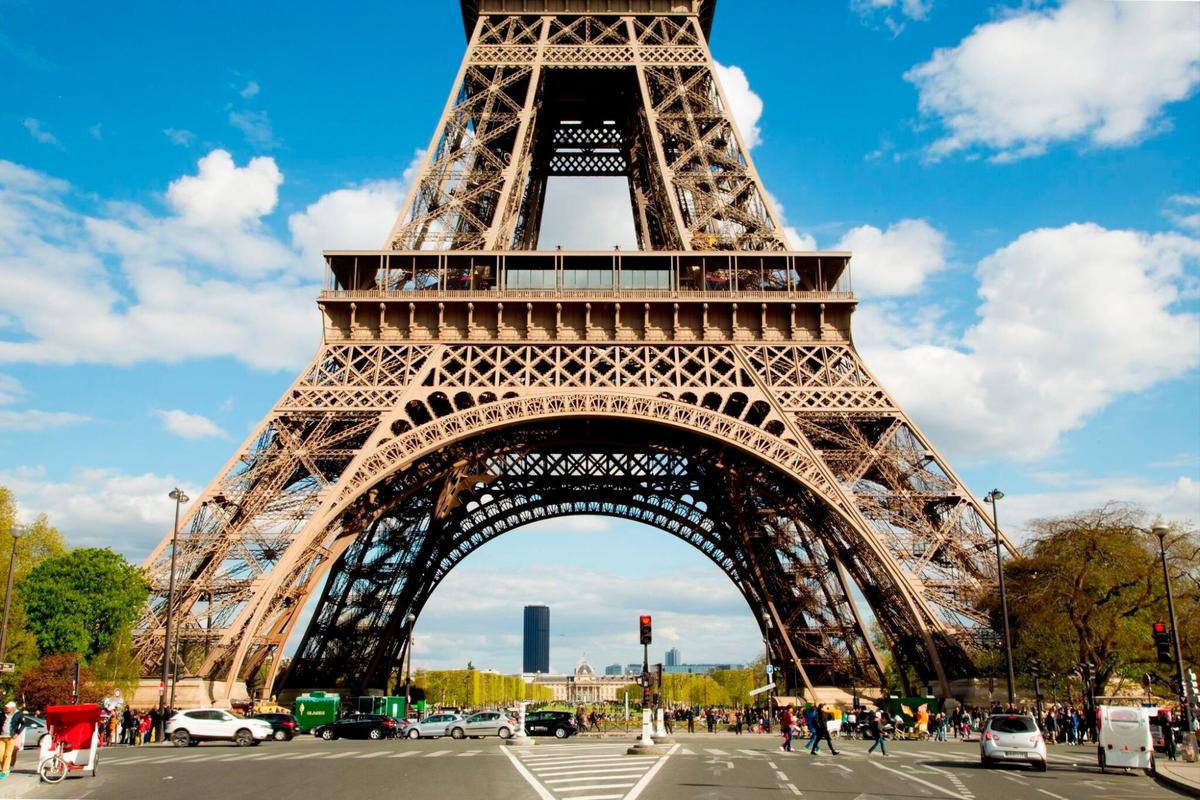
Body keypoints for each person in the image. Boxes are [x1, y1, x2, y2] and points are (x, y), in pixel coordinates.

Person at [0, 701, 28, 779]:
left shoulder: (18, 714)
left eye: (7, 708)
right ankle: (5, 768)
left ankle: (4, 771)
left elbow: (24, 724)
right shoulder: (2, 714)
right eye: (5, 707)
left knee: (7, 754)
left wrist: (17, 733)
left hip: (11, 737)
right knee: (0, 755)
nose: (5, 708)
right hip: (1, 737)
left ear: (12, 708)